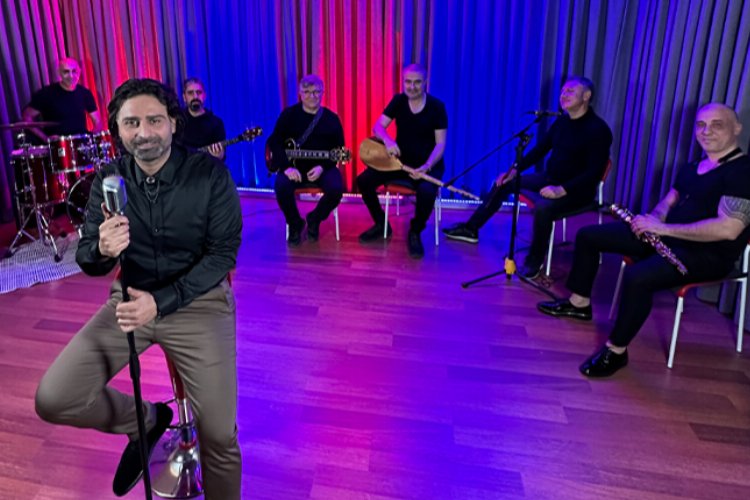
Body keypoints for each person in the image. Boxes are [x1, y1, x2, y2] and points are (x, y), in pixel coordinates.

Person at [34, 78, 243, 498]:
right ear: (117, 129)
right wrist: (102, 249)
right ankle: (146, 421)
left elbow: (223, 255)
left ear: (173, 124)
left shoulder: (210, 175)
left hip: (199, 304)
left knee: (220, 436)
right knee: (54, 397)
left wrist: (160, 303)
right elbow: (88, 259)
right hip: (130, 302)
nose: (144, 133)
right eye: (131, 123)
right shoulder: (108, 179)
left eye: (154, 121)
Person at [537, 103, 750, 378]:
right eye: (701, 125)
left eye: (716, 125)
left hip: (709, 255)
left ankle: (616, 351)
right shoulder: (693, 167)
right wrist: (651, 220)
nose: (706, 131)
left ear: (737, 128)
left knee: (638, 276)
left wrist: (664, 229)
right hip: (670, 238)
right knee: (589, 235)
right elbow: (668, 202)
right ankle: (579, 304)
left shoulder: (742, 172)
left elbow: (728, 229)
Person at [443, 76, 612, 277]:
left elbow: (593, 173)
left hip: (577, 191)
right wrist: (514, 170)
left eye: (570, 91)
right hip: (551, 179)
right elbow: (539, 151)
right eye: (563, 91)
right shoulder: (562, 122)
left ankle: (534, 262)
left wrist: (562, 190)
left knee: (543, 208)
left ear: (586, 96)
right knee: (505, 182)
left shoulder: (598, 130)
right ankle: (471, 229)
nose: (564, 95)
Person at [357, 63, 448, 259]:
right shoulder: (398, 101)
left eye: (417, 82)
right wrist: (388, 141)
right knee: (363, 181)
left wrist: (427, 166)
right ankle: (381, 223)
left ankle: (415, 230)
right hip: (399, 162)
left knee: (427, 191)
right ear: (403, 82)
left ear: (425, 82)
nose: (412, 86)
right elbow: (378, 127)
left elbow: (440, 144)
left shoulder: (437, 107)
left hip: (428, 164)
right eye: (408, 82)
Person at [268, 74, 345, 246]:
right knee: (281, 187)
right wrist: (287, 168)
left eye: (316, 92)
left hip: (322, 167)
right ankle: (295, 223)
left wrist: (323, 167)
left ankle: (314, 219)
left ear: (323, 93)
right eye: (307, 92)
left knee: (336, 189)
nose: (312, 96)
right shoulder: (288, 115)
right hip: (293, 168)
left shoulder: (332, 119)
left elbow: (339, 149)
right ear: (300, 94)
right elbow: (275, 143)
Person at [22, 57, 102, 142]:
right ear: (59, 73)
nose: (71, 76)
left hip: (81, 144)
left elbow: (98, 122)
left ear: (79, 72)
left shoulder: (85, 93)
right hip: (58, 144)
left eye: (74, 71)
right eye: (66, 72)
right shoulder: (46, 93)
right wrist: (45, 138)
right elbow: (27, 117)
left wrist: (91, 139)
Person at [179, 77, 226, 159]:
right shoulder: (177, 120)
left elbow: (221, 156)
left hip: (206, 165)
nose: (195, 97)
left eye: (199, 92)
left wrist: (219, 156)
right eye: (190, 93)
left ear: (204, 96)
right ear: (184, 97)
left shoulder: (216, 123)